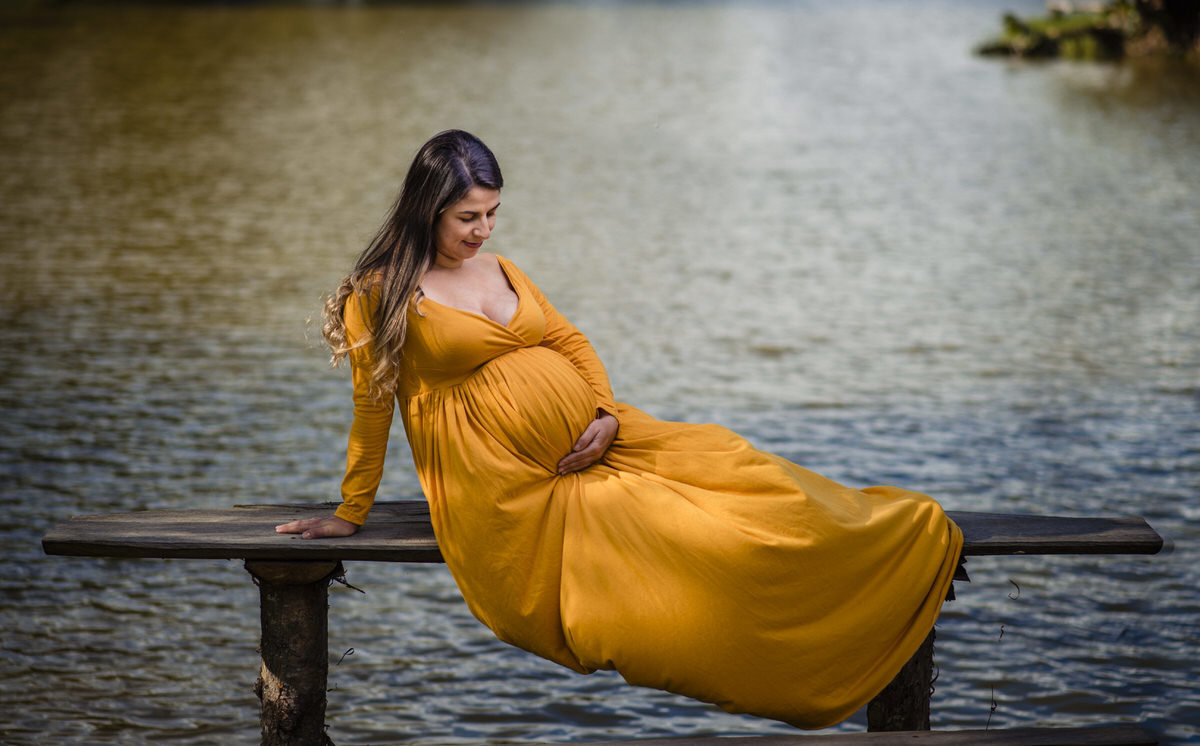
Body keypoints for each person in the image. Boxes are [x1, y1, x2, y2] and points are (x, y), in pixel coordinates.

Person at [276, 129, 963, 729]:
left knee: (740, 467)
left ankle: (885, 547)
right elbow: (372, 407)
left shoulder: (502, 269)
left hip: (606, 440)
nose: (483, 231)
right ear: (426, 209)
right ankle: (811, 664)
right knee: (700, 539)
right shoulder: (381, 292)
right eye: (467, 217)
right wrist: (350, 510)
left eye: (491, 213)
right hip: (513, 488)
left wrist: (603, 414)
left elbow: (571, 341)